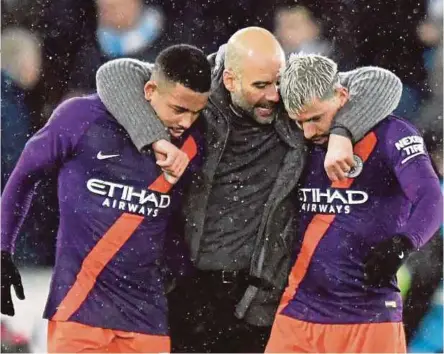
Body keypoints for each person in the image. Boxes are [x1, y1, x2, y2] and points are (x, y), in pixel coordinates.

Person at [95, 27, 403, 353]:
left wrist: (342, 132)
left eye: (277, 83)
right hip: (185, 287)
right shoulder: (199, 93)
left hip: (256, 296)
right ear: (229, 80)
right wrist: (154, 137)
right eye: (260, 86)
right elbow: (116, 73)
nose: (274, 95)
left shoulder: (290, 98)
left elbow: (382, 82)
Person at [0, 44, 211, 353]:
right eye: (179, 109)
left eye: (196, 112)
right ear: (150, 89)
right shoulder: (82, 117)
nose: (186, 122)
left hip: (148, 318)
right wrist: (3, 248)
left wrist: (185, 283)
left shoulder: (194, 143)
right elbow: (23, 177)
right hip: (78, 310)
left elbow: (180, 223)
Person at [265, 53, 443, 353]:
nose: (308, 132)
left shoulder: (393, 134)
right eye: (300, 122)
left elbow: (431, 197)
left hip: (369, 316)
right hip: (297, 311)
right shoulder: (296, 138)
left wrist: (404, 243)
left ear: (342, 95)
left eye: (315, 119)